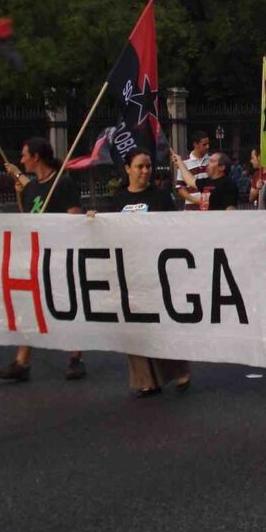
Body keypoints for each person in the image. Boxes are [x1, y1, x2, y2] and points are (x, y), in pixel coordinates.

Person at [0, 138, 87, 383]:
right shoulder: (32, 188)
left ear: (36, 157)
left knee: (66, 305)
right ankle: (21, 361)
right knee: (31, 306)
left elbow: (74, 218)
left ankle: (75, 357)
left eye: (25, 155)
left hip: (58, 256)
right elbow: (27, 219)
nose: (21, 160)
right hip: (37, 257)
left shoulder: (63, 183)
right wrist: (19, 195)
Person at [102, 148, 192, 396]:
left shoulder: (161, 197)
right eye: (140, 166)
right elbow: (108, 230)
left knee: (162, 323)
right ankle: (146, 380)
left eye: (149, 166)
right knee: (135, 327)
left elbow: (174, 228)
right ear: (127, 169)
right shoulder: (117, 199)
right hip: (129, 272)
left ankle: (179, 370)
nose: (145, 171)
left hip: (156, 270)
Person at [175, 130, 211, 210]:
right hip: (191, 209)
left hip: (210, 208)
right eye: (204, 144)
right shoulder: (184, 162)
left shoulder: (212, 161)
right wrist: (197, 201)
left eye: (208, 144)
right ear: (195, 144)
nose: (207, 147)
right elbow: (180, 188)